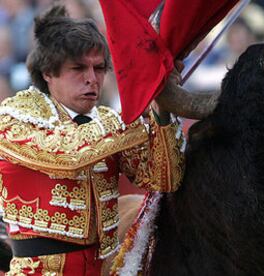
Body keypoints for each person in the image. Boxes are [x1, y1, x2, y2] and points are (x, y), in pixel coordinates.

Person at [0, 5, 184, 275]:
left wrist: (161, 110)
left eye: (99, 68)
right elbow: (71, 153)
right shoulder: (13, 117)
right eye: (78, 68)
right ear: (48, 73)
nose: (91, 79)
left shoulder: (107, 121)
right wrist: (138, 109)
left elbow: (164, 177)